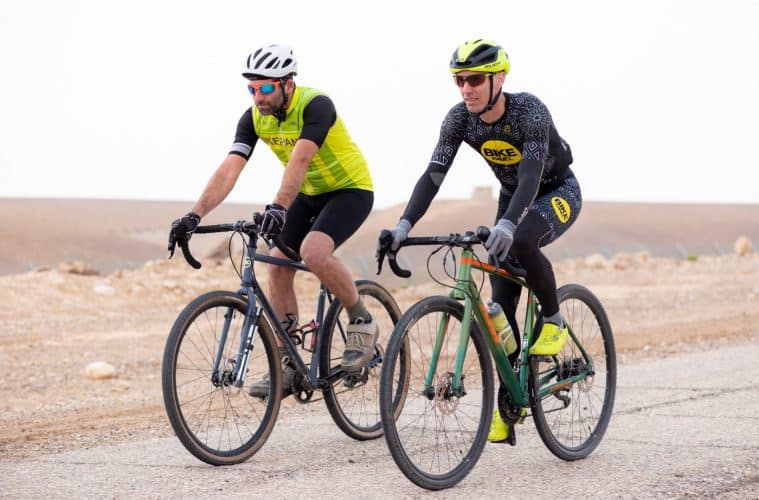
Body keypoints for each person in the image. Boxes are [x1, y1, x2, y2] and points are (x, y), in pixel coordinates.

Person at [379, 39, 581, 443]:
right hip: (512, 198)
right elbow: (433, 175)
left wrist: (506, 225)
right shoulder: (459, 119)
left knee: (521, 242)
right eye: (459, 80)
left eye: (474, 79)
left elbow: (530, 176)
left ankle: (553, 319)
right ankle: (512, 399)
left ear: (498, 79)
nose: (466, 88)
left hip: (555, 191)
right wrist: (403, 225)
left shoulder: (529, 111)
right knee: (498, 310)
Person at [168, 43, 377, 399]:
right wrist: (194, 215)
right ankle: (289, 361)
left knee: (313, 251)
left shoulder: (316, 105)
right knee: (277, 266)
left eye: (265, 87)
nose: (258, 96)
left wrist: (279, 206)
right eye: (251, 88)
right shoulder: (252, 118)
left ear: (287, 84)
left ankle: (361, 319)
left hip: (349, 190)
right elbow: (230, 168)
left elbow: (300, 160)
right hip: (307, 193)